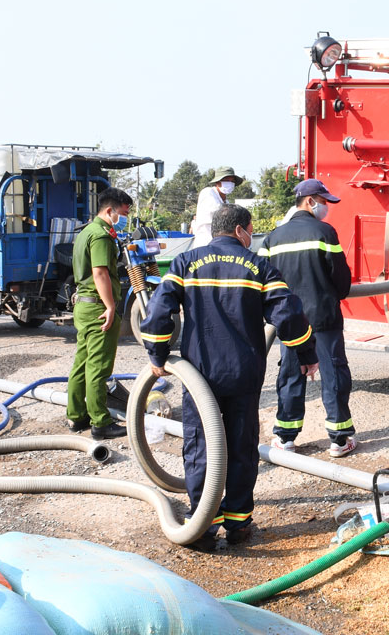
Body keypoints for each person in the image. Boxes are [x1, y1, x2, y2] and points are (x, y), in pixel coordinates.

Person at [141, 203, 317, 552]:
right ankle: (238, 525)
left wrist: (157, 355)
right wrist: (307, 356)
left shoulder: (185, 263)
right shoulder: (259, 266)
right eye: (250, 230)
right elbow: (288, 314)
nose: (251, 237)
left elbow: (160, 310)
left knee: (200, 447)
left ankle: (204, 526)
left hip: (199, 375)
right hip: (243, 373)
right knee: (240, 446)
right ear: (240, 231)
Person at [258, 179, 356, 457]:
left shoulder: (272, 238)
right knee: (334, 373)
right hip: (324, 317)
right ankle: (339, 439)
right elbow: (341, 280)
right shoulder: (325, 232)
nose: (326, 207)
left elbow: (263, 280)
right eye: (324, 201)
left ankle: (285, 437)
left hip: (289, 321)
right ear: (310, 201)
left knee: (291, 374)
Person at [66, 187, 134, 441]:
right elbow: (100, 273)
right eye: (123, 213)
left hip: (83, 305)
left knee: (82, 363)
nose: (125, 218)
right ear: (109, 210)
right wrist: (110, 306)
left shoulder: (85, 232)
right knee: (99, 367)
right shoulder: (102, 235)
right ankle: (100, 422)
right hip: (97, 306)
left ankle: (76, 415)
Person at [189, 167, 242, 244]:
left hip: (219, 243)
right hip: (206, 241)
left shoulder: (226, 202)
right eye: (226, 180)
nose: (229, 183)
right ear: (217, 182)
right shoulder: (208, 192)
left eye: (232, 181)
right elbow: (219, 212)